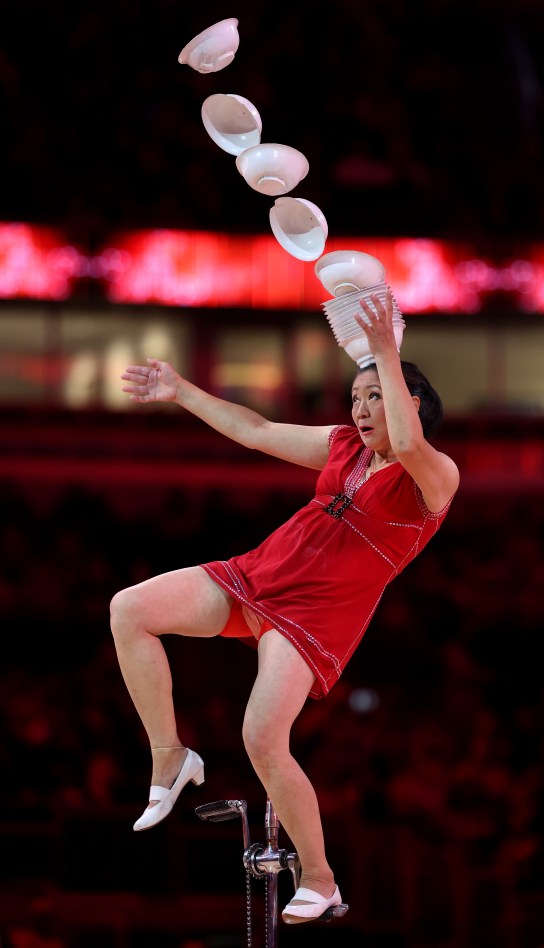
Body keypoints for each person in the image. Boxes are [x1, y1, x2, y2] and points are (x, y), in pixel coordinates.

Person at [110, 291, 460, 924]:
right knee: (129, 609)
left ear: (412, 402)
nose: (359, 409)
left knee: (262, 737)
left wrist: (384, 351)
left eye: (373, 396)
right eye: (354, 398)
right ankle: (170, 753)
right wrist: (182, 391)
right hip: (259, 573)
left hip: (313, 615)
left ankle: (321, 878)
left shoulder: (435, 477)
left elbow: (408, 443)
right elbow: (257, 431)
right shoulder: (344, 448)